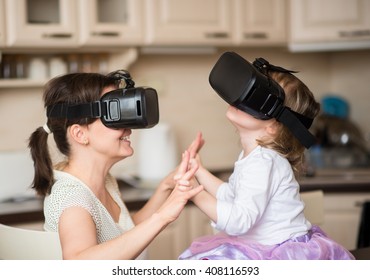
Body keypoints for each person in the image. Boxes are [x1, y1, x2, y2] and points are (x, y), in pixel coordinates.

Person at [179, 55, 354, 260]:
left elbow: (238, 221)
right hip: (262, 248)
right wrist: (198, 171)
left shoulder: (263, 161)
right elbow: (232, 196)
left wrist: (193, 193)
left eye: (255, 97)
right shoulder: (255, 157)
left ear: (273, 126)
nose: (240, 97)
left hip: (279, 254)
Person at [28, 70, 203, 260]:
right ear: (80, 134)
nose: (128, 128)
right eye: (113, 114)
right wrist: (163, 217)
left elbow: (123, 235)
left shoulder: (104, 181)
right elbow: (78, 264)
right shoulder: (72, 197)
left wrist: (166, 187)